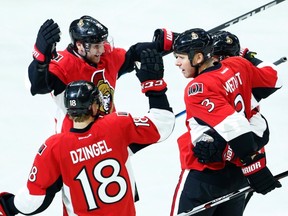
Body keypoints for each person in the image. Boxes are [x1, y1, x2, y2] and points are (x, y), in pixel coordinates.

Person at [0, 49, 175, 216]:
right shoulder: (116, 126)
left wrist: (7, 205)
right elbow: (162, 124)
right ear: (93, 106)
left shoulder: (55, 147)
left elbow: (33, 201)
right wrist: (153, 85)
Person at [169, 28, 282, 216]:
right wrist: (247, 55)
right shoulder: (238, 64)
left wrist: (255, 166)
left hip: (204, 176)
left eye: (180, 57)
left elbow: (235, 127)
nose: (177, 63)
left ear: (197, 58)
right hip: (237, 176)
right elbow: (275, 78)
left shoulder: (198, 88)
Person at [28, 16, 175, 134]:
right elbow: (39, 86)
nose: (102, 50)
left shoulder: (105, 57)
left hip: (108, 135)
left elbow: (134, 54)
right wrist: (40, 59)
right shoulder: (64, 64)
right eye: (96, 46)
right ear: (79, 45)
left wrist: (169, 44)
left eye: (102, 43)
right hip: (75, 144)